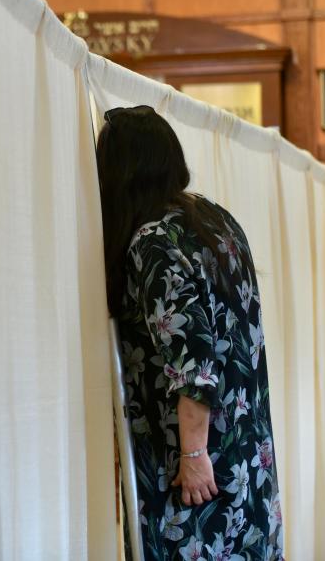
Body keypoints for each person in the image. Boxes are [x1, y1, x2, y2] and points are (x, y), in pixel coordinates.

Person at [96, 105, 283, 560]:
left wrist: (194, 457)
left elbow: (194, 367)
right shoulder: (216, 220)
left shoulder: (153, 241)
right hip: (245, 458)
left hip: (197, 473)